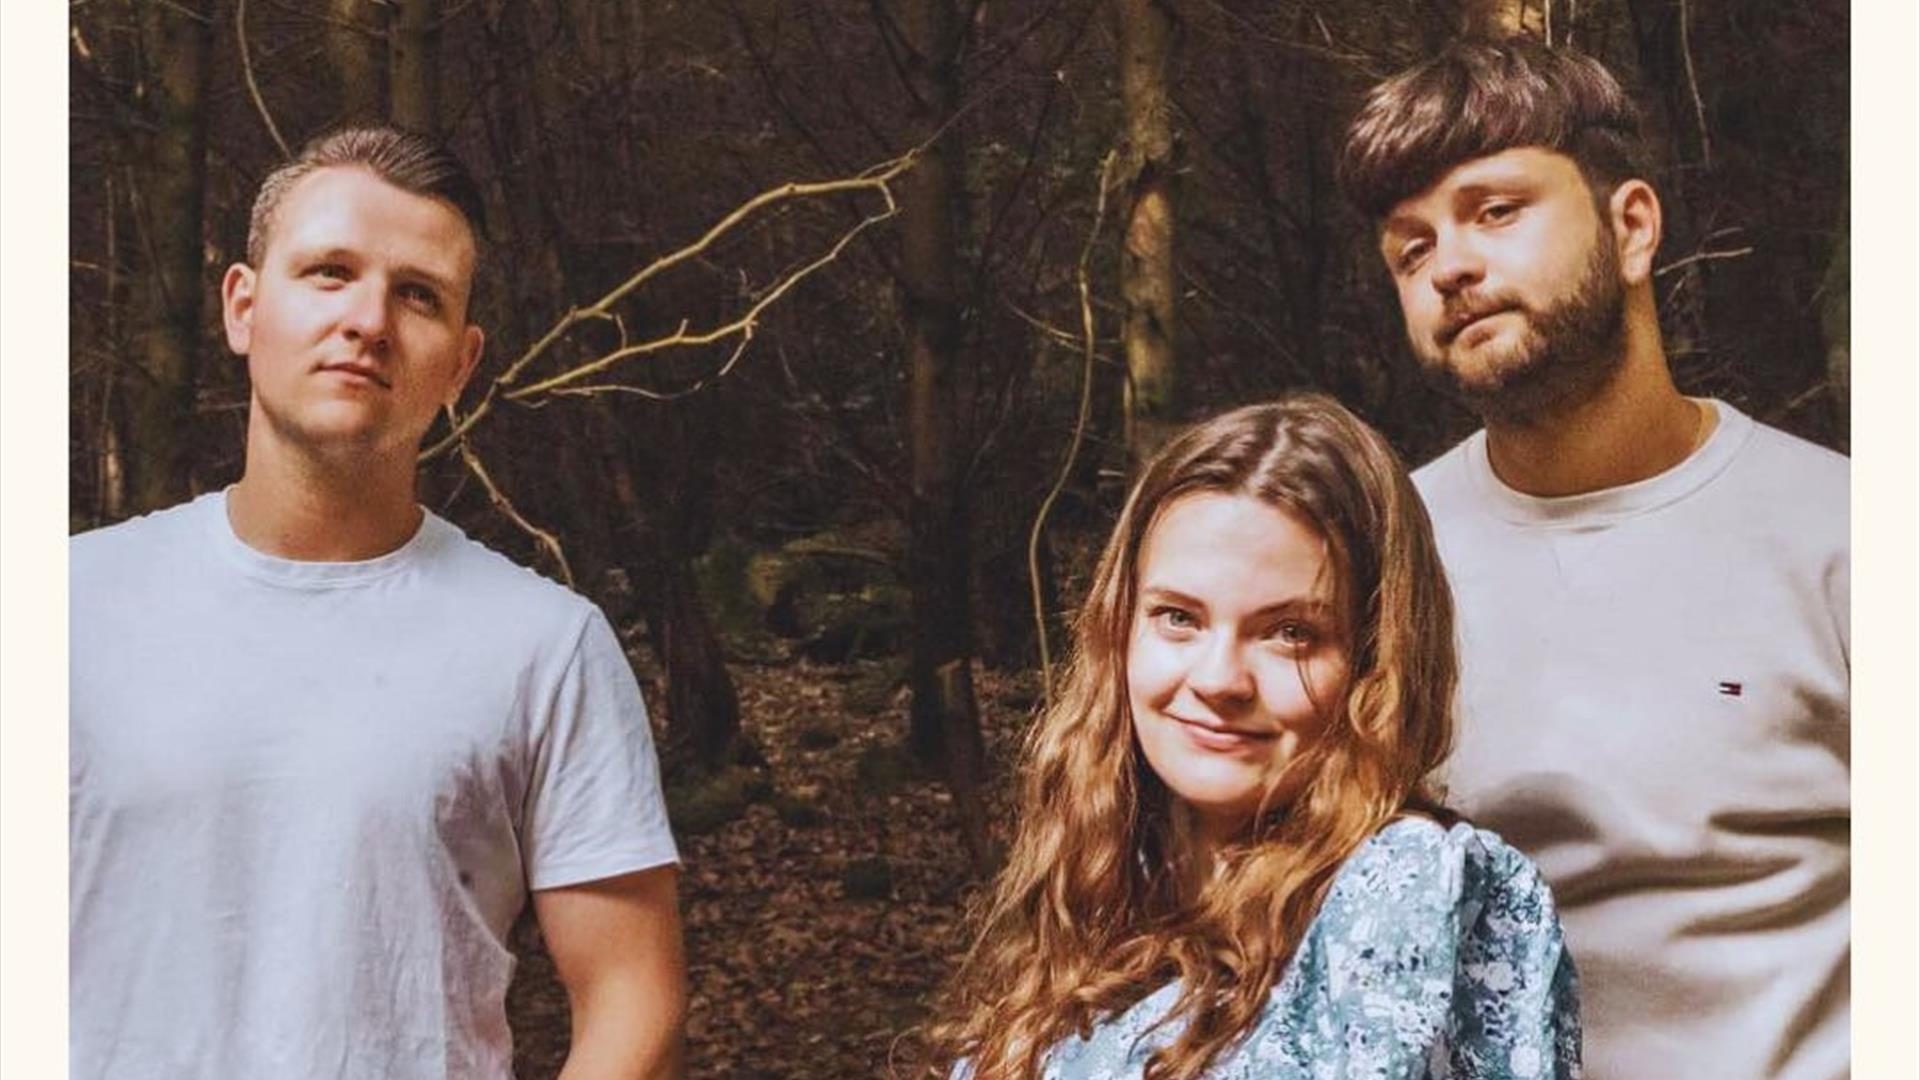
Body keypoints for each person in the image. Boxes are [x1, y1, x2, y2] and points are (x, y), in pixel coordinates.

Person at [70, 127, 686, 1079]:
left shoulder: (546, 648)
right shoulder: (63, 605)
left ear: (461, 364)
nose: (369, 318)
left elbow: (630, 995)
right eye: (328, 272)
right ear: (243, 306)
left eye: (418, 294)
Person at [1338, 39, 1849, 1080]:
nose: (1450, 267)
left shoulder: (1849, 534)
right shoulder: (1376, 562)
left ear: (1632, 227)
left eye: (1495, 210)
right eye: (1410, 249)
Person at [930, 396, 1579, 1079]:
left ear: (1374, 661)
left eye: (1290, 633)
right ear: (1119, 628)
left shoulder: (1410, 886)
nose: (1218, 679)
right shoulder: (1106, 878)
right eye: (1179, 617)